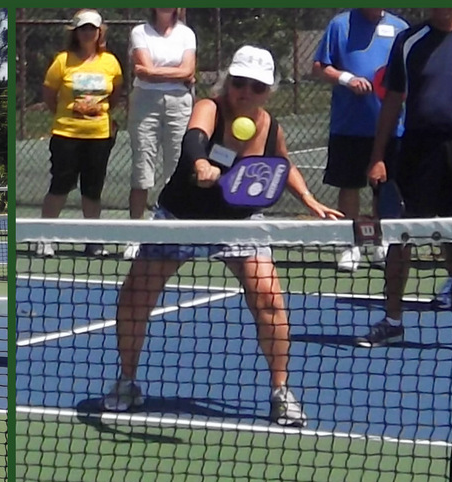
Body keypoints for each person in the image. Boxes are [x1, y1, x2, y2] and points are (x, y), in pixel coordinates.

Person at [108, 46, 340, 428]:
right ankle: (127, 382)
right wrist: (200, 162)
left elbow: (282, 164)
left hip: (239, 222)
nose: (245, 92)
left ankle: (281, 393)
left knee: (269, 301)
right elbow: (193, 139)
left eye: (256, 86)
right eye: (239, 82)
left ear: (268, 91)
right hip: (182, 217)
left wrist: (310, 199)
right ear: (228, 82)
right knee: (135, 297)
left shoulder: (271, 127)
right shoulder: (210, 108)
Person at [363, 8, 452, 348]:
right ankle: (392, 320)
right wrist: (377, 158)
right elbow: (392, 103)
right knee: (401, 235)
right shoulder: (408, 41)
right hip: (419, 150)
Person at [312, 8, 408, 272]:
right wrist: (347, 78)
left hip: (391, 128)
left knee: (384, 187)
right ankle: (350, 244)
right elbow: (320, 67)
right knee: (349, 186)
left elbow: (408, 72)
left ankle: (380, 243)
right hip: (349, 126)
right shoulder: (339, 25)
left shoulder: (400, 28)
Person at [37, 10, 124, 248]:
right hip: (66, 135)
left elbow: (115, 95)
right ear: (76, 32)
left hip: (99, 136)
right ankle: (45, 238)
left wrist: (97, 112)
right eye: (83, 28)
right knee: (60, 186)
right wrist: (67, 115)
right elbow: (49, 95)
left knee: (92, 189)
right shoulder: (62, 61)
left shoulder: (110, 62)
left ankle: (93, 241)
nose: (88, 33)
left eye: (92, 29)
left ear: (99, 32)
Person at [125, 9, 197, 257]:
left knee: (177, 169)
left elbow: (188, 71)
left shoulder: (186, 34)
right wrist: (177, 73)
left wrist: (156, 72)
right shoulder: (139, 32)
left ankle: (172, 234)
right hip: (145, 102)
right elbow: (142, 70)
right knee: (142, 169)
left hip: (180, 103)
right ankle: (135, 237)